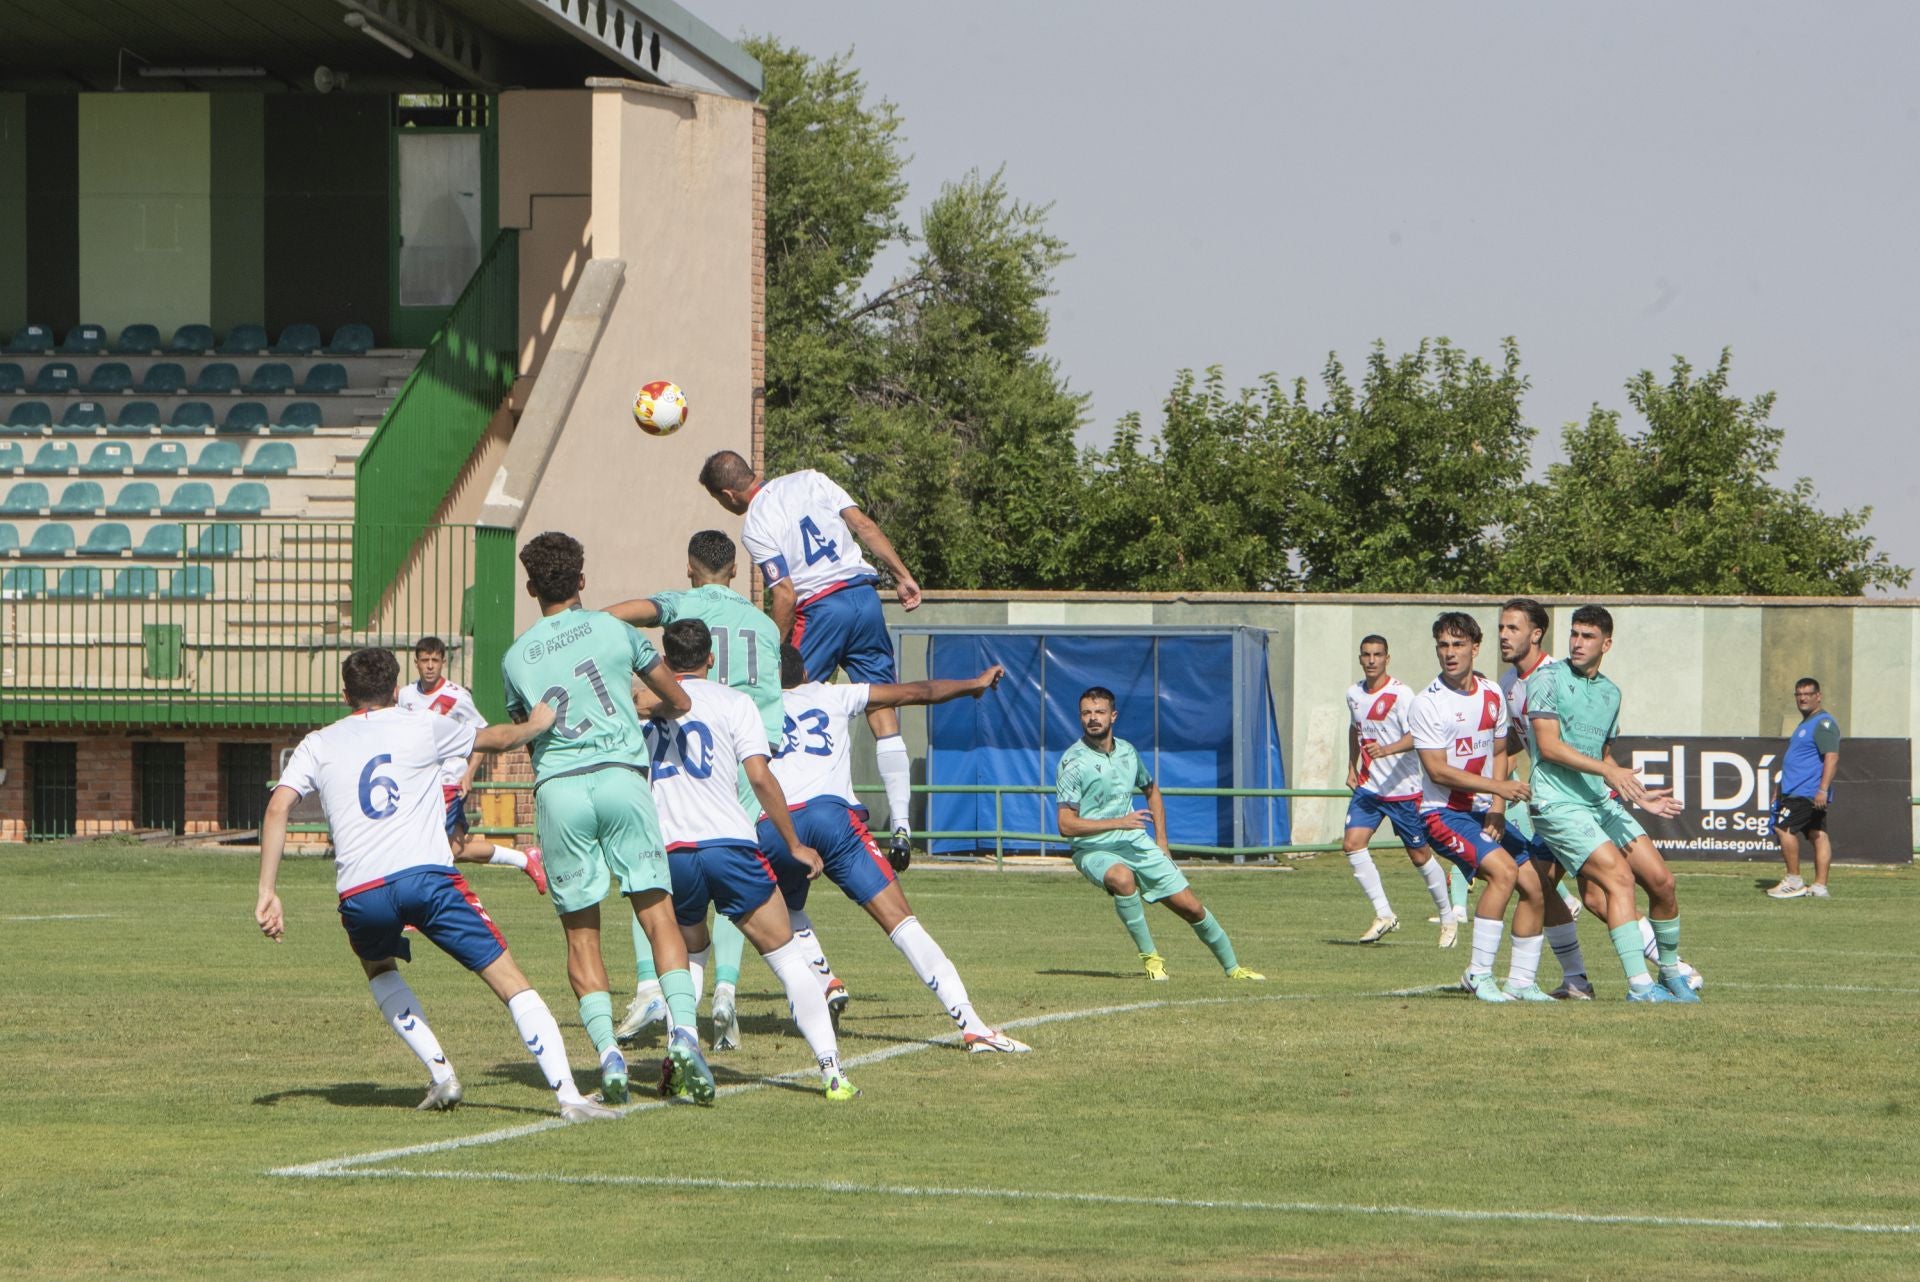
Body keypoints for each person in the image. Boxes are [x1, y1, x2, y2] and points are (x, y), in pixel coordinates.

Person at [253, 647, 614, 1122]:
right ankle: (568, 1095)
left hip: (362, 891)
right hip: (428, 878)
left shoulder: (319, 742)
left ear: (345, 695)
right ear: (396, 688)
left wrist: (268, 891)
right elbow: (496, 740)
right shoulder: (422, 722)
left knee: (378, 968)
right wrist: (535, 725)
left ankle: (441, 1072)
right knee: (509, 981)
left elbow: (277, 807)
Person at [499, 531, 708, 1108]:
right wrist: (650, 704)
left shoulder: (516, 656)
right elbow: (678, 699)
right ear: (583, 581)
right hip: (620, 775)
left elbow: (526, 721)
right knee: (658, 914)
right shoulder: (616, 630)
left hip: (560, 789)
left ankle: (607, 1054)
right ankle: (685, 1037)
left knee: (581, 932)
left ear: (531, 586)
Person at [754, 641, 1030, 1053]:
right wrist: (973, 684)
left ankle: (822, 975)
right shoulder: (834, 693)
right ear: (809, 673)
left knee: (786, 909)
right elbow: (918, 691)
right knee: (902, 923)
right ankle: (971, 1024)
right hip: (832, 819)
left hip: (774, 827)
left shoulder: (749, 707)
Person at [641, 619, 860, 1101]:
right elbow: (759, 778)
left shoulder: (646, 709)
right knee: (787, 959)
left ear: (665, 657)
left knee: (688, 956)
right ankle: (832, 1071)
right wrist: (794, 844)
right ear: (711, 658)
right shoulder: (735, 702)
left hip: (672, 852)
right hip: (730, 846)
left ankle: (683, 1054)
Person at [601, 531, 783, 1049]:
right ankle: (724, 990)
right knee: (735, 867)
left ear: (689, 568)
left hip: (681, 741)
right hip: (742, 747)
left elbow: (617, 615)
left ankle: (649, 989)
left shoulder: (680, 603)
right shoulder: (763, 623)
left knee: (653, 868)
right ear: (734, 570)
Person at [698, 450, 922, 867]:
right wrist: (902, 574)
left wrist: (771, 649)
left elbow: (785, 592)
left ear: (728, 494)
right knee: (881, 705)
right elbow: (864, 525)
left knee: (777, 703)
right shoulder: (812, 478)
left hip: (822, 609)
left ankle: (759, 817)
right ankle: (902, 826)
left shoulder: (757, 523)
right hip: (864, 597)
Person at [1524, 605, 1695, 1003]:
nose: (1578, 642)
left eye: (1588, 636)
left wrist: (1633, 790)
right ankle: (1640, 987)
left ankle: (1671, 974)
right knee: (1618, 880)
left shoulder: (1611, 693)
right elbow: (1548, 748)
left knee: (1662, 882)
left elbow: (1600, 755)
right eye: (1575, 634)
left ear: (1607, 643)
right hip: (1557, 803)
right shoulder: (1547, 680)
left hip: (1598, 801)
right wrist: (1609, 773)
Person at [1055, 686, 1264, 983]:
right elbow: (1066, 825)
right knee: (1122, 878)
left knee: (1192, 908)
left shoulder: (1127, 751)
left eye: (1099, 712)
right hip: (1093, 849)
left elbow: (1151, 790)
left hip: (1135, 842)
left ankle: (1234, 969)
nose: (1093, 718)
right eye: (1086, 713)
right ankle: (1152, 960)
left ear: (1113, 715)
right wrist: (1119, 822)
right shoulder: (1072, 762)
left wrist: (1162, 841)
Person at [1408, 612, 1552, 1003]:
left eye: (1458, 644)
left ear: (1476, 647)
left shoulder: (1491, 694)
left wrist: (1497, 808)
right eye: (1443, 645)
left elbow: (1501, 752)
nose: (1450, 653)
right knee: (1504, 873)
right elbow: (1438, 771)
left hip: (1483, 812)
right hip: (1442, 813)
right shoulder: (1427, 704)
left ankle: (1521, 981)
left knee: (1536, 885)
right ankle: (1478, 973)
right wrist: (1497, 788)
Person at [395, 635, 547, 894]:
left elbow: (481, 734)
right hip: (419, 784)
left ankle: (423, 903)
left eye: (435, 660)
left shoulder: (457, 697)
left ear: (443, 662)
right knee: (456, 848)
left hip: (447, 783)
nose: (430, 666)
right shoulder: (406, 695)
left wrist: (469, 773)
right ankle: (524, 859)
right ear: (416, 663)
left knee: (427, 845)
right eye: (424, 660)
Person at [1340, 634, 1463, 945]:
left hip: (1404, 791)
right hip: (1369, 789)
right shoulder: (1353, 693)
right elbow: (1356, 729)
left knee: (1420, 856)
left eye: (1377, 654)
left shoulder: (1402, 694)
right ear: (1360, 658)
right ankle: (1384, 914)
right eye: (1366, 654)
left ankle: (1448, 918)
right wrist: (1351, 766)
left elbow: (1417, 735)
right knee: (1353, 843)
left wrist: (1389, 749)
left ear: (1387, 659)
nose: (1371, 660)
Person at [1768, 677, 1841, 900]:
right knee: (1818, 834)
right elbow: (1796, 760)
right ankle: (1819, 887)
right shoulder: (1806, 723)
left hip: (1805, 791)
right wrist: (1780, 789)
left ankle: (1793, 880)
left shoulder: (1823, 723)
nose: (1803, 698)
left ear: (1818, 696)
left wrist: (1822, 789)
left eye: (1808, 694)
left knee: (1783, 828)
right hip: (1796, 789)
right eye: (1799, 694)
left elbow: (1832, 757)